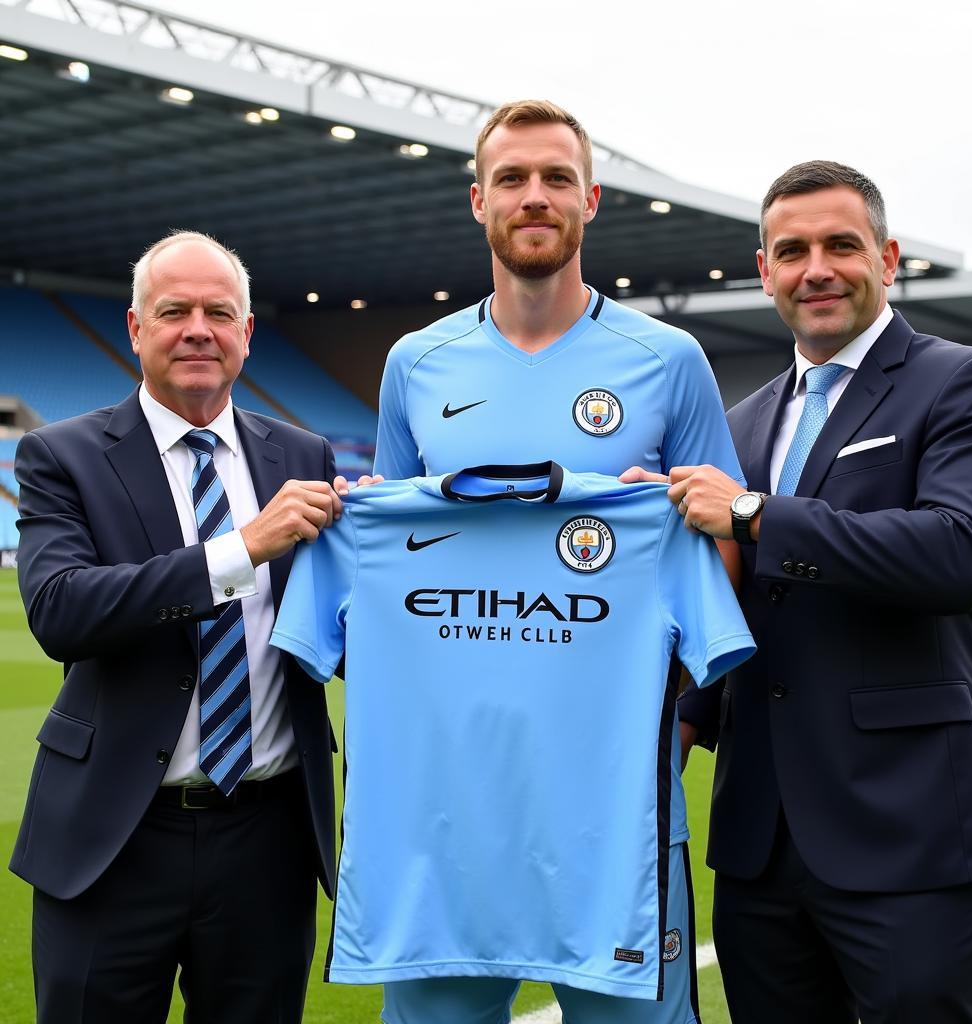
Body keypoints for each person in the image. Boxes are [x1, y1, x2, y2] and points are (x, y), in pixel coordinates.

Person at [370, 99, 743, 1024]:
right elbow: (389, 562)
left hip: (616, 797)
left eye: (555, 179)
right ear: (477, 200)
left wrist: (681, 720)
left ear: (591, 199)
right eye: (512, 179)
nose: (534, 197)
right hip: (449, 804)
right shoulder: (416, 364)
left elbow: (725, 541)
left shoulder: (670, 359)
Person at [633, 161, 972, 1024]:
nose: (817, 267)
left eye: (841, 245)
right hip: (759, 840)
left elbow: (957, 555)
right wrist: (681, 715)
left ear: (887, 258)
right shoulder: (740, 422)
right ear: (764, 269)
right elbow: (732, 605)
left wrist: (751, 513)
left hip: (906, 831)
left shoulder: (962, 379)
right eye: (792, 250)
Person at [11, 231, 344, 1024]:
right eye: (175, 311)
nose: (199, 328)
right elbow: (61, 609)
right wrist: (241, 549)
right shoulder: (62, 456)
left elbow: (339, 623)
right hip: (116, 838)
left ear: (247, 332)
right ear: (135, 329)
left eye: (219, 312)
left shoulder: (302, 453)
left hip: (268, 837)